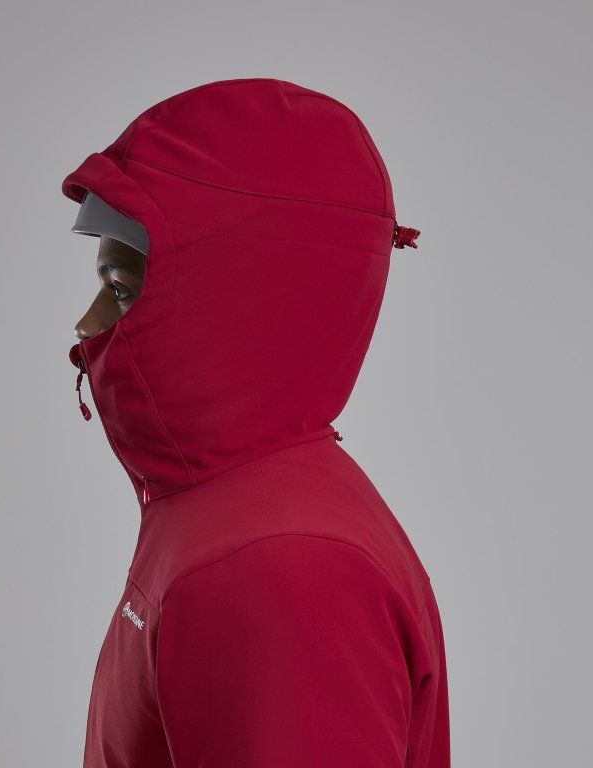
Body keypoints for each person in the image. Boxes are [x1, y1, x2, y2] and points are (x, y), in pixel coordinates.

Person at [64, 78, 447, 768]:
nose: (87, 326)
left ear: (233, 291)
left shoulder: (277, 569)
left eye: (120, 287)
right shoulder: (223, 516)